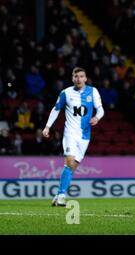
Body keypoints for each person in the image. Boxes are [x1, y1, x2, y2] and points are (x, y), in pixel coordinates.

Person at [42, 67, 104, 207]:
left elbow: (100, 109)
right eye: (76, 76)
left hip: (84, 136)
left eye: (81, 76)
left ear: (85, 78)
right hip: (70, 133)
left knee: (72, 167)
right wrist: (47, 127)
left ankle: (58, 194)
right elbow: (56, 109)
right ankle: (62, 196)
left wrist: (97, 118)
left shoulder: (93, 91)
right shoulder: (66, 93)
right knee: (69, 161)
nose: (78, 79)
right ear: (72, 78)